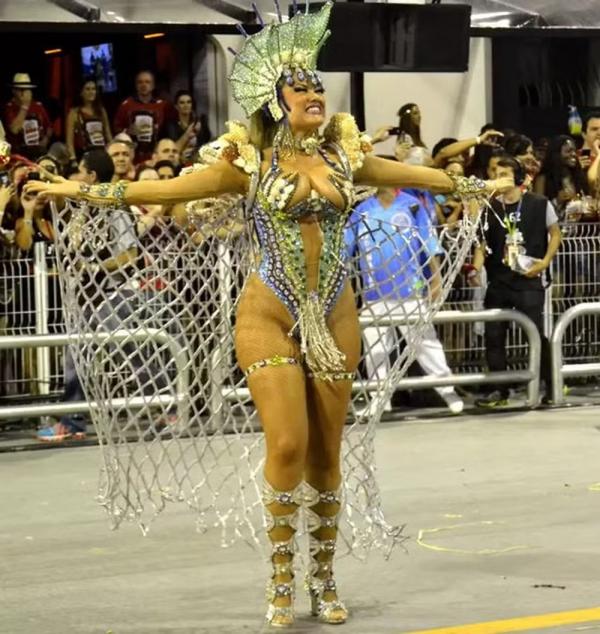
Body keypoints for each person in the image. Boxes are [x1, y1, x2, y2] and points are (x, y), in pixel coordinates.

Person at [26, 2, 511, 627]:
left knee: (326, 456)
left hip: (335, 317)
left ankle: (325, 578)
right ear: (277, 101)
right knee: (287, 443)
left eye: (316, 84)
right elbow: (165, 190)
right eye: (300, 86)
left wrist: (480, 187)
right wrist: (79, 190)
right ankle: (281, 580)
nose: (313, 92)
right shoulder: (247, 165)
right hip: (268, 316)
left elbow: (420, 174)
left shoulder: (345, 159)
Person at [347, 187, 464, 416]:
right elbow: (345, 247)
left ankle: (448, 391)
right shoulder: (362, 209)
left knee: (425, 344)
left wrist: (436, 280)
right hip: (374, 294)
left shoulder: (411, 205)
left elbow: (429, 241)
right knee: (375, 349)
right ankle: (380, 400)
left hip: (410, 290)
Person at [469, 156, 561, 407]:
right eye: (496, 173)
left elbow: (555, 234)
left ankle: (552, 386)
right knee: (494, 335)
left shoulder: (539, 204)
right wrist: (475, 269)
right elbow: (483, 244)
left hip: (529, 280)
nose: (499, 178)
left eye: (504, 174)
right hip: (499, 281)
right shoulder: (490, 208)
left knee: (536, 334)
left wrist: (544, 262)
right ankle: (500, 390)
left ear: (517, 178)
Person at [37, 149, 116, 442]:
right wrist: (43, 176)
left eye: (79, 171)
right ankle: (72, 422)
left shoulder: (116, 208)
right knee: (76, 361)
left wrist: (95, 266)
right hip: (82, 299)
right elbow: (63, 184)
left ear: (91, 176)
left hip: (111, 297)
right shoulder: (81, 208)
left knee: (134, 357)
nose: (74, 177)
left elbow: (131, 254)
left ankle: (171, 408)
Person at [113, 71, 169, 163]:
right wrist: (128, 131)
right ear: (136, 85)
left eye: (147, 82)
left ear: (153, 85)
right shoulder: (126, 105)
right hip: (133, 156)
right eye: (140, 82)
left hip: (156, 155)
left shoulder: (162, 105)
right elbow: (116, 129)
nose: (143, 85)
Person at [534, 135, 590, 220]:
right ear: (556, 154)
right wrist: (557, 201)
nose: (574, 154)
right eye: (568, 151)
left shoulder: (578, 177)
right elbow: (538, 210)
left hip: (579, 229)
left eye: (574, 151)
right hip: (554, 228)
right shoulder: (542, 178)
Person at [3, 73, 52, 160]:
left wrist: (45, 140)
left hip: (38, 152)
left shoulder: (38, 106)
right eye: (21, 90)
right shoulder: (9, 108)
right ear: (14, 91)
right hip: (18, 155)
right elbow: (14, 130)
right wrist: (25, 106)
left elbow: (49, 127)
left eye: (27, 89)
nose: (24, 93)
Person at [66, 79, 112, 163]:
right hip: (84, 156)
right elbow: (69, 141)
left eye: (93, 89)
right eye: (87, 89)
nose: (91, 92)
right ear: (81, 92)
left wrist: (113, 152)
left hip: (102, 153)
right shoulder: (74, 113)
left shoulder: (101, 111)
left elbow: (108, 135)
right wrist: (73, 160)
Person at [164, 90, 211, 165]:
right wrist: (187, 134)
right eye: (182, 103)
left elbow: (207, 145)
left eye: (189, 102)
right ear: (176, 106)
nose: (186, 105)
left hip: (198, 163)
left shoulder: (199, 124)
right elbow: (173, 149)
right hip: (178, 163)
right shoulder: (171, 125)